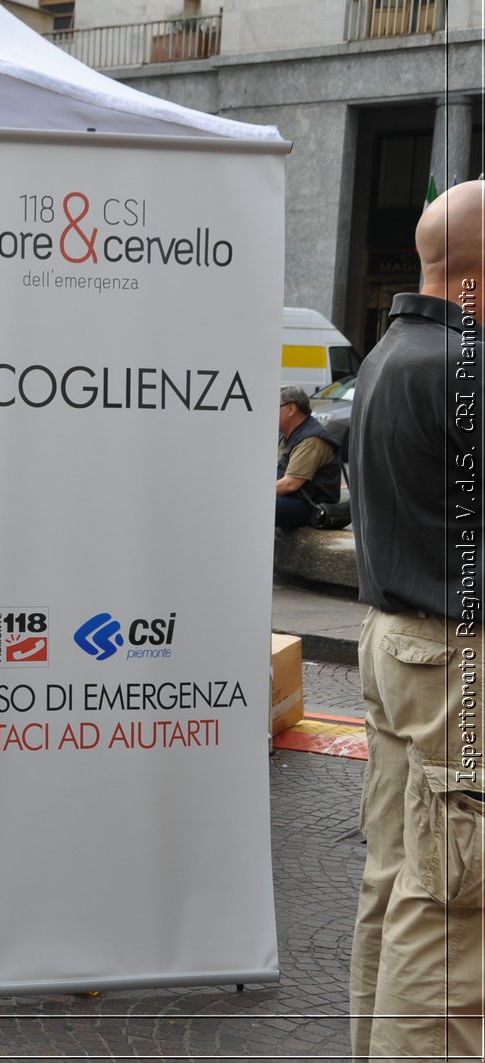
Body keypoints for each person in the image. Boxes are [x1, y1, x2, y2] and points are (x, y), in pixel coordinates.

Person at [347, 179, 485, 1062]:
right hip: (457, 660)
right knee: (450, 910)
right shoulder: (466, 367)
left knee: (397, 879)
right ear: (473, 282)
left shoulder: (387, 353)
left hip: (397, 645)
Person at [275, 384, 342, 527]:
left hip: (311, 506)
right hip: (291, 499)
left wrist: (254, 493)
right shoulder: (285, 434)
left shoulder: (312, 439)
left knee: (259, 506)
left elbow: (290, 484)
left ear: (291, 409)